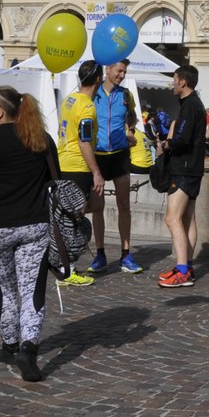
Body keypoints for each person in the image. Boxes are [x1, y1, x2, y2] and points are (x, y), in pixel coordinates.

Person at [0, 84, 57, 383]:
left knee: (5, 290)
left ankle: (9, 345)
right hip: (34, 224)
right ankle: (28, 350)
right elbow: (55, 180)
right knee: (32, 290)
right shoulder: (41, 140)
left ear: (0, 111)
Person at [87, 60, 142, 275]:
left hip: (119, 155)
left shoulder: (126, 95)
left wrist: (130, 130)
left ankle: (126, 253)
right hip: (98, 156)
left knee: (124, 205)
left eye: (124, 71)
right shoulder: (93, 94)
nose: (122, 75)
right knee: (97, 207)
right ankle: (100, 254)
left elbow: (133, 117)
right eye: (119, 71)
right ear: (107, 69)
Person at [54, 61, 104, 287]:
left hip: (62, 162)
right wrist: (96, 172)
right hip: (77, 167)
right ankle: (67, 268)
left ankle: (63, 264)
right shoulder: (87, 106)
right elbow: (84, 140)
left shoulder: (69, 99)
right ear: (98, 80)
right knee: (73, 220)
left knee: (73, 214)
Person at [159, 65, 207, 288]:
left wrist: (166, 144)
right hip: (192, 167)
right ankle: (186, 265)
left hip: (184, 168)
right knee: (188, 219)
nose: (173, 83)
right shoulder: (193, 103)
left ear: (182, 82)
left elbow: (183, 139)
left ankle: (182, 270)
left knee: (172, 218)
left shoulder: (190, 105)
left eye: (174, 79)